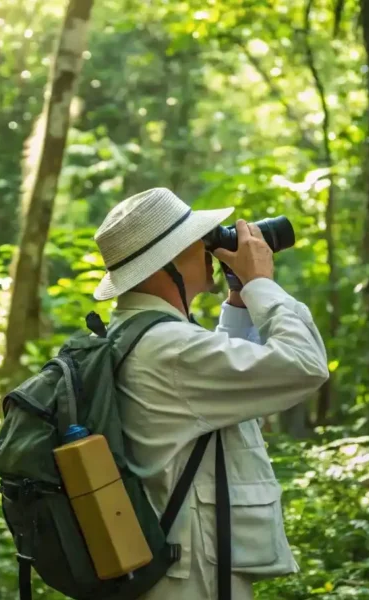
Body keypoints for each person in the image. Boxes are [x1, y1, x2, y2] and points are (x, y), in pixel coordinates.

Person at [92, 188, 329, 600]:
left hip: (164, 570)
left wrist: (239, 302)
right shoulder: (170, 348)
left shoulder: (136, 336)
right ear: (165, 263)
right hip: (191, 581)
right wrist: (261, 286)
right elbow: (305, 365)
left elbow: (210, 388)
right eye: (198, 239)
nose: (209, 247)